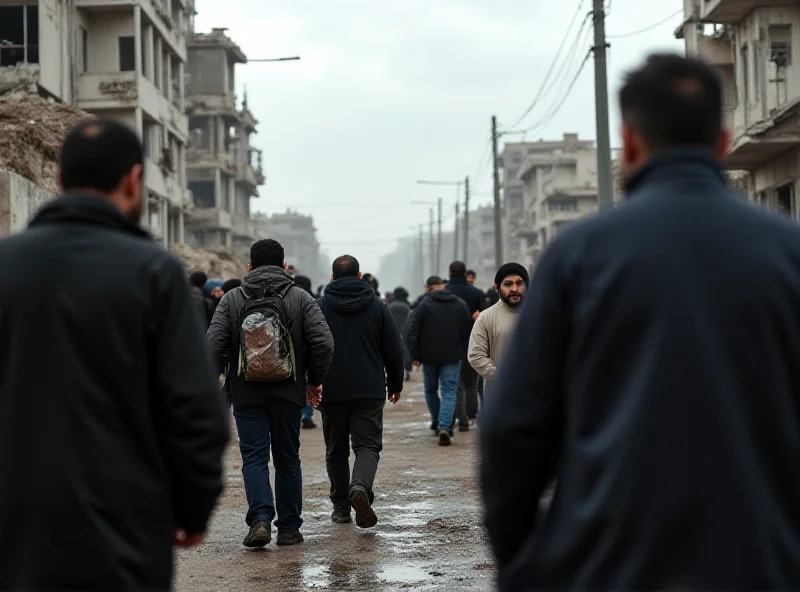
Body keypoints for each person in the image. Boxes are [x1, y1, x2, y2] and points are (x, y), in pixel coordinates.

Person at [481, 53, 800, 590]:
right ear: (721, 143)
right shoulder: (788, 254)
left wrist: (523, 564)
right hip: (765, 563)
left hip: (612, 565)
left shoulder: (578, 257)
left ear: (629, 142)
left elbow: (514, 432)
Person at [0, 120, 229, 591]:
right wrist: (192, 508)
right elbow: (195, 411)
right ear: (134, 180)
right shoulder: (154, 274)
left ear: (60, 183)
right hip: (122, 529)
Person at [207, 239, 334, 548]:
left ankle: (261, 519)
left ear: (249, 267)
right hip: (288, 392)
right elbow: (324, 343)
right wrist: (313, 380)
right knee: (288, 459)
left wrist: (218, 382)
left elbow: (212, 346)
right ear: (284, 265)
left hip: (246, 392)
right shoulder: (301, 298)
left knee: (253, 457)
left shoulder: (233, 298)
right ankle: (289, 528)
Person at [317, 255, 405, 528]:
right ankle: (360, 486)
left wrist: (311, 381)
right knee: (367, 446)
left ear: (332, 278)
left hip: (331, 388)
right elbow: (393, 347)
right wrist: (395, 383)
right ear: (359, 276)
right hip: (369, 388)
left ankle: (342, 508)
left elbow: (311, 346)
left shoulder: (319, 307)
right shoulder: (377, 307)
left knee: (336, 450)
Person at [409, 276, 471, 446]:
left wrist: (415, 355)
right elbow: (467, 330)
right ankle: (445, 426)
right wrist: (464, 352)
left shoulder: (423, 305)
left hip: (429, 356)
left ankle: (438, 421)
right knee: (450, 391)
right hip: (452, 355)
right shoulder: (459, 304)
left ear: (428, 288)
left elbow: (414, 331)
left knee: (430, 390)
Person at [468, 264, 528, 389]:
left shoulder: (541, 315)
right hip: (501, 395)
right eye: (508, 284)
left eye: (519, 283)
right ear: (497, 288)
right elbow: (475, 355)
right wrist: (502, 376)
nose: (514, 289)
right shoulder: (486, 317)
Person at [445, 261, 487, 430]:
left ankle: (458, 416)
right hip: (473, 342)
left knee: (455, 384)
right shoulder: (476, 293)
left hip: (450, 343)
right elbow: (485, 318)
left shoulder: (445, 293)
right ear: (465, 274)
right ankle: (472, 415)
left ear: (449, 273)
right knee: (472, 384)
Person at [294, 274, 319, 430]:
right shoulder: (314, 301)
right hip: (309, 350)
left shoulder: (287, 298)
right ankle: (307, 414)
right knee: (309, 383)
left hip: (291, 349)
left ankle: (296, 412)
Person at [388, 287, 413, 380]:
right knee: (406, 351)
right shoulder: (407, 306)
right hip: (404, 331)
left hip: (392, 332)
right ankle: (407, 370)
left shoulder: (389, 306)